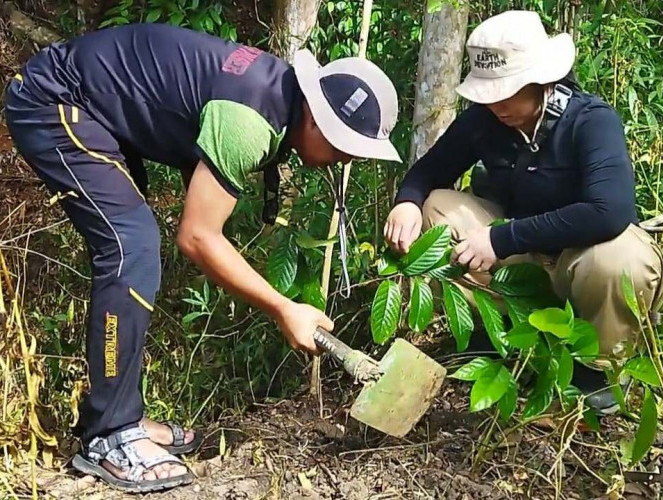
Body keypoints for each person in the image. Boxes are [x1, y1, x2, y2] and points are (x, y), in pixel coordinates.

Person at [5, 23, 400, 492]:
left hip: (93, 105)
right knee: (130, 247)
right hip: (55, 101)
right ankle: (110, 437)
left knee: (132, 247)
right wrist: (284, 308)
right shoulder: (250, 122)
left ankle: (122, 418)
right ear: (314, 119)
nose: (344, 160)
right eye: (342, 146)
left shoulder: (276, 96)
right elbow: (196, 237)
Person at [384, 10, 663, 414]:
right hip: (523, 264)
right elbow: (430, 171)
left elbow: (610, 211)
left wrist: (502, 238)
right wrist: (407, 201)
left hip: (581, 261)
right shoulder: (484, 121)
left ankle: (597, 371)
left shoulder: (590, 121)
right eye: (489, 93)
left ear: (542, 82)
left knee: (621, 259)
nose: (496, 103)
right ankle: (501, 334)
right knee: (437, 208)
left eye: (507, 91)